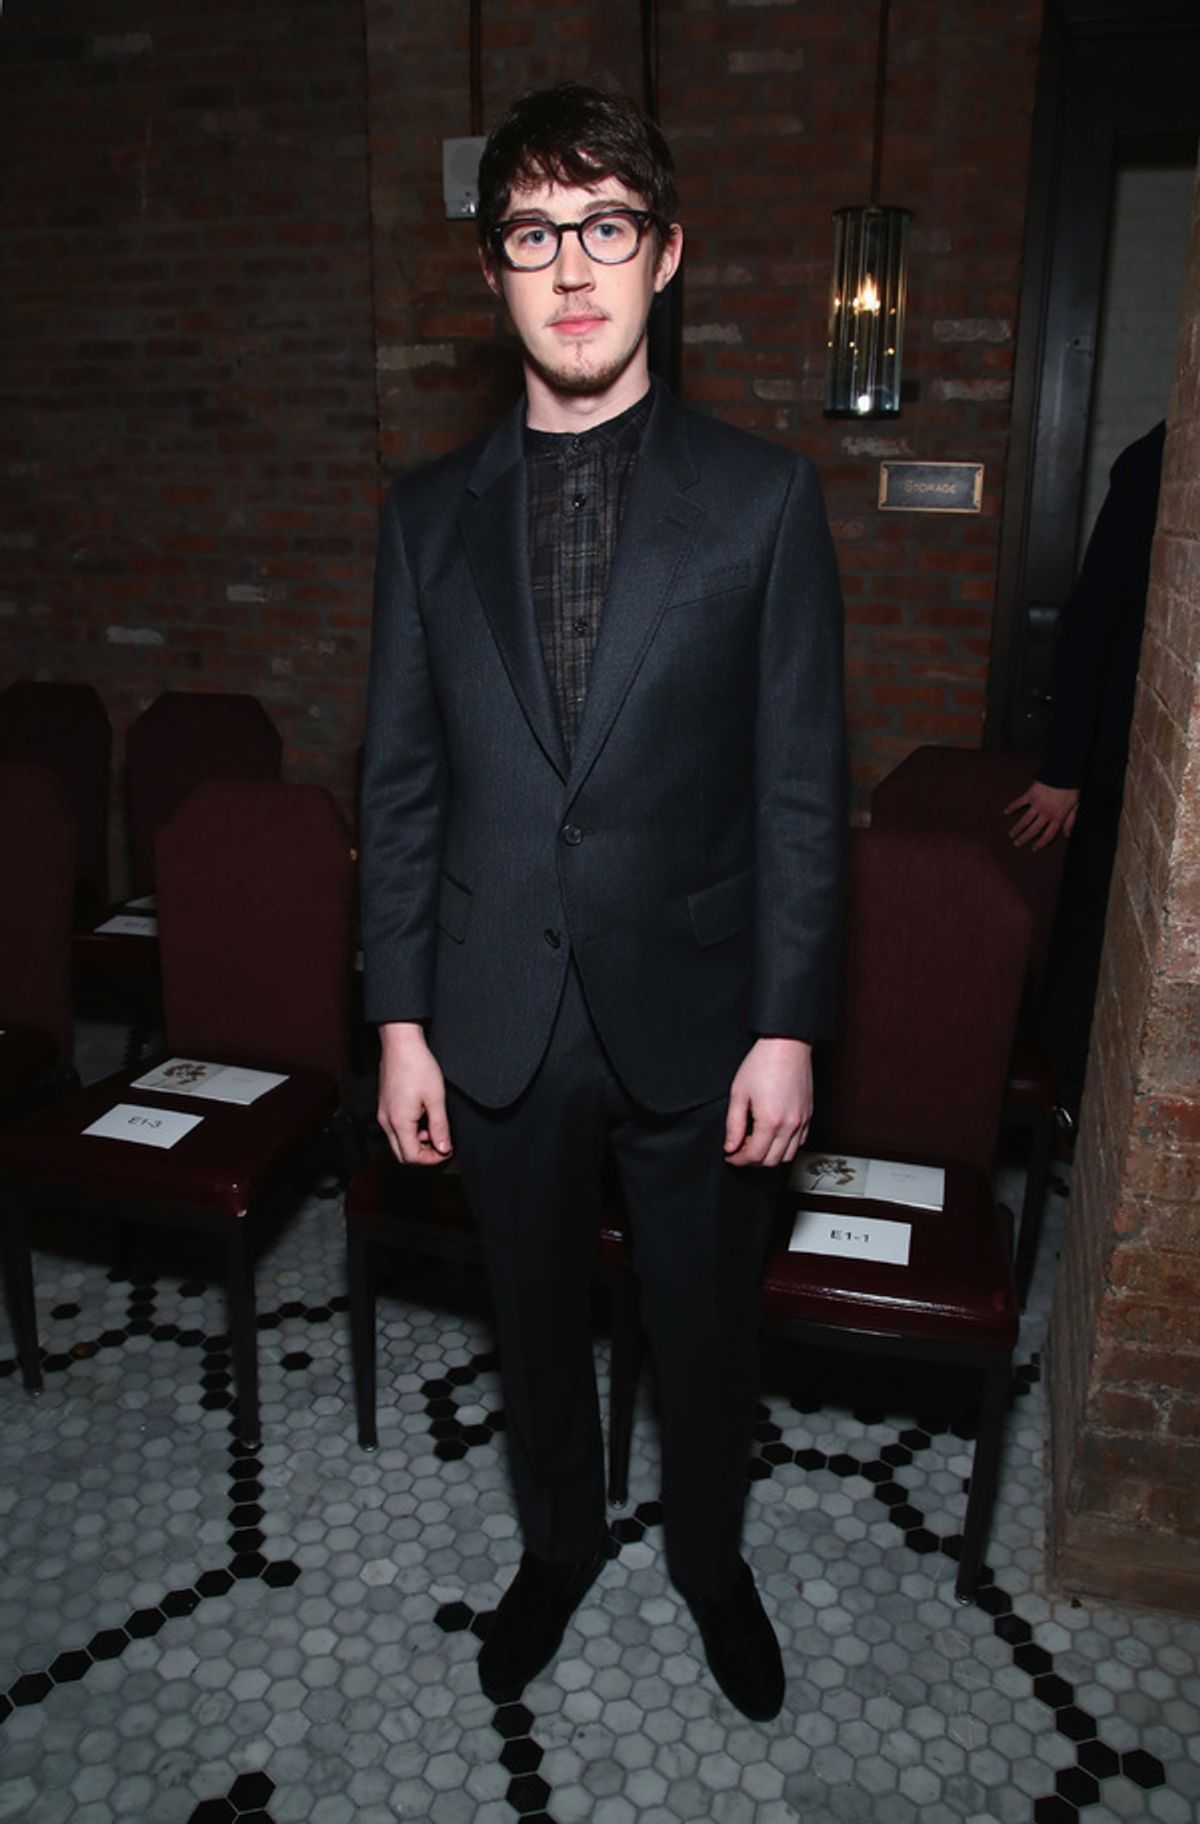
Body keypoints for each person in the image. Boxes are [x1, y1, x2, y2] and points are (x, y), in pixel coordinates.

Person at [360, 81, 847, 1722]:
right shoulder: (425, 519)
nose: (572, 267)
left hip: (701, 1014)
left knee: (703, 1324)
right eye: (533, 234)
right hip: (495, 1002)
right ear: (495, 272)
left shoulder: (765, 499)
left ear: (668, 254)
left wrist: (789, 1024)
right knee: (532, 1313)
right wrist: (400, 1016)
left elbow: (797, 788)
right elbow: (403, 788)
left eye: (607, 227)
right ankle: (558, 1541)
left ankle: (711, 1557)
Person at [1004, 421, 1165, 1119]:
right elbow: (1094, 615)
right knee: (1093, 933)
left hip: (1134, 753)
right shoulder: (1161, 460)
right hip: (1120, 756)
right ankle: (1068, 1102)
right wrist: (1065, 767)